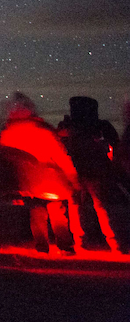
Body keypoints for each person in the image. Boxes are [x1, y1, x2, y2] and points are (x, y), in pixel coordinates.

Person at [0, 93, 78, 255]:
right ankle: (65, 246)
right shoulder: (43, 130)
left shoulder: (10, 132)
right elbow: (61, 155)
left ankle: (42, 247)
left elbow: (4, 153)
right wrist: (73, 177)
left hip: (30, 182)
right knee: (58, 214)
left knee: (36, 214)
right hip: (51, 179)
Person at [62, 95, 126, 253]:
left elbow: (63, 146)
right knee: (101, 207)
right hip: (96, 170)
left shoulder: (68, 127)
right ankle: (115, 243)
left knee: (76, 207)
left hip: (76, 171)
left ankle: (80, 242)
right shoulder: (100, 126)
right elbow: (116, 145)